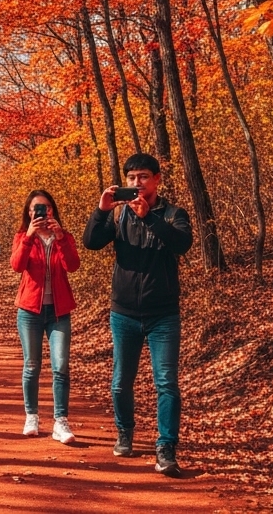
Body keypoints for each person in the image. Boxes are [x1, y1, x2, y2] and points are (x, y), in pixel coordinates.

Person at [83, 153, 192, 477]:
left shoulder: (174, 214)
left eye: (143, 177)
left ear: (157, 179)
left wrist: (148, 218)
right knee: (120, 382)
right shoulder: (118, 217)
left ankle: (166, 447)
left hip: (164, 315)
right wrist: (102, 210)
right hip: (124, 312)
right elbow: (91, 242)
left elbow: (182, 243)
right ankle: (125, 432)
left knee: (167, 383)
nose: (136, 183)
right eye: (131, 178)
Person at [11, 189, 80, 442]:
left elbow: (72, 266)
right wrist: (29, 236)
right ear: (28, 213)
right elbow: (17, 265)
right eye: (36, 209)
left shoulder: (64, 237)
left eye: (46, 207)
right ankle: (32, 415)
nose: (42, 212)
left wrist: (60, 237)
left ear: (53, 210)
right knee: (32, 365)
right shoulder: (22, 236)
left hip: (59, 312)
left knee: (60, 366)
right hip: (30, 310)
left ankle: (60, 422)